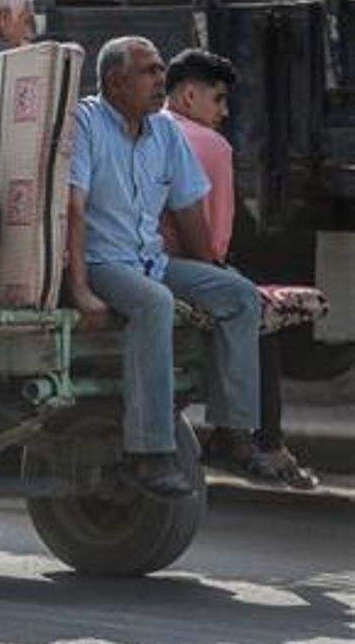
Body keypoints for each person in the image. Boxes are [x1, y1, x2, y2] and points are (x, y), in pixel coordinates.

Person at [67, 35, 266, 500]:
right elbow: (73, 211)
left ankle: (231, 433)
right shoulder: (86, 123)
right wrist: (79, 289)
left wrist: (211, 277)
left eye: (161, 70)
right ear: (115, 83)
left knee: (239, 294)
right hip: (102, 263)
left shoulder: (166, 130)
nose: (162, 80)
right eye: (150, 72)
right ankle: (148, 451)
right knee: (154, 304)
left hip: (150, 261)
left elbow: (190, 212)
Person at [160, 48, 318, 489]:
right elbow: (215, 239)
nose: (225, 112)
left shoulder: (149, 130)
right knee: (255, 308)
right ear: (190, 95)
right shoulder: (210, 145)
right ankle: (253, 438)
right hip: (179, 267)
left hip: (136, 261)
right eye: (219, 100)